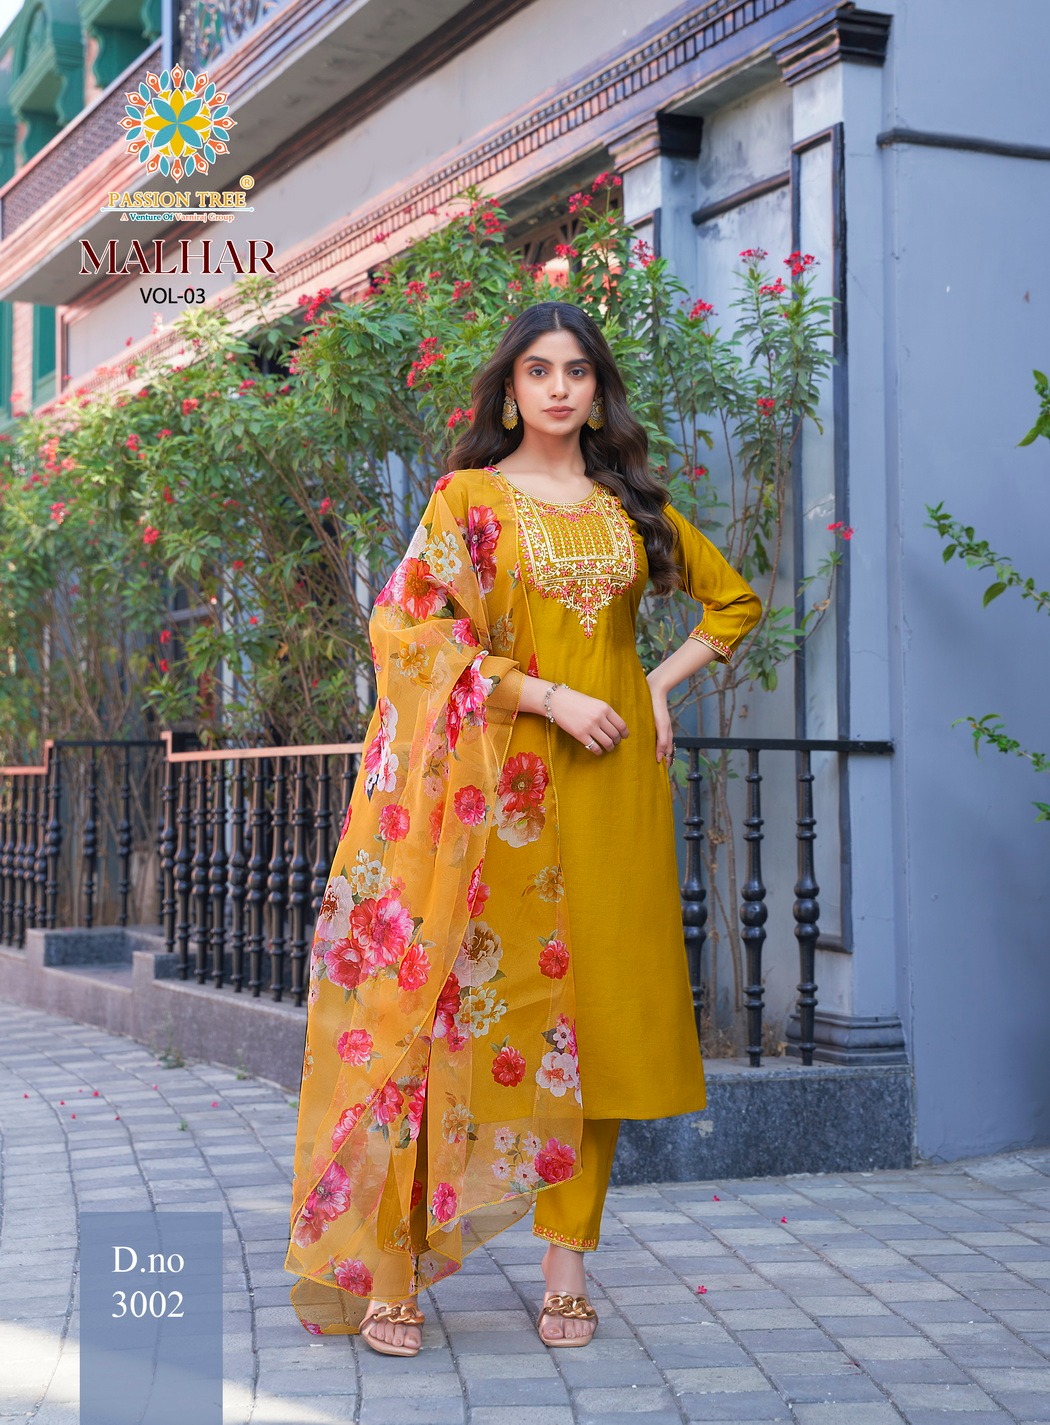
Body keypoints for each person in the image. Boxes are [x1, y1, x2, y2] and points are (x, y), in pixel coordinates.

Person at [285, 299, 762, 1356]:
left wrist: (653, 687)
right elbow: (409, 633)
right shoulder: (469, 500)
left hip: (613, 793)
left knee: (598, 1027)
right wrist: (546, 697)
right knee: (445, 1010)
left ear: (598, 392)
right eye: (539, 369)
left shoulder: (630, 507)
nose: (558, 387)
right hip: (496, 796)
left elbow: (733, 604)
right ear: (510, 388)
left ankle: (567, 1273)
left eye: (577, 371)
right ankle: (394, 1269)